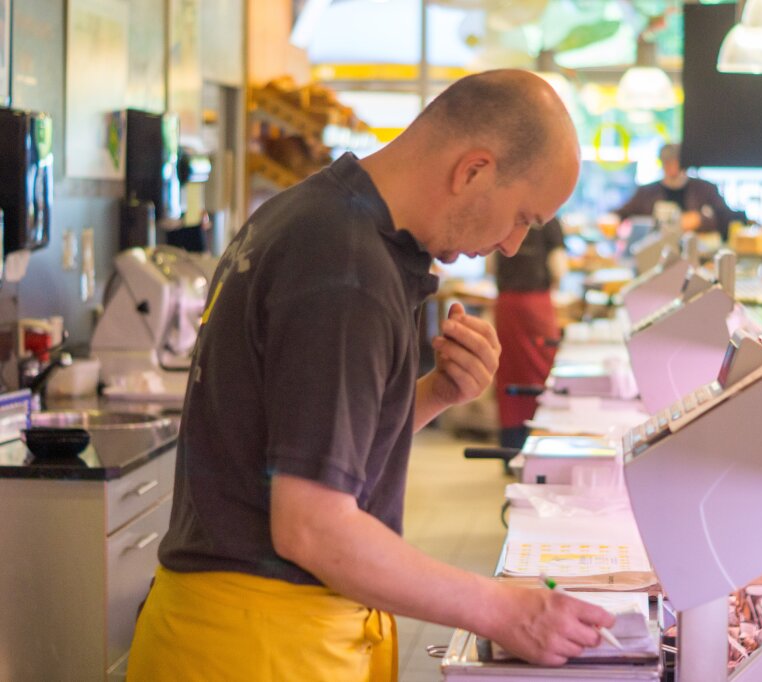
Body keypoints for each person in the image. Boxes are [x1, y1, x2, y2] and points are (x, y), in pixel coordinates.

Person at [128, 70, 614, 682]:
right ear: (474, 170)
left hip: (253, 626)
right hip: (259, 644)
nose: (514, 246)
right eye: (522, 217)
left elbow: (307, 442)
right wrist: (503, 610)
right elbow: (311, 525)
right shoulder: (347, 268)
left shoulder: (320, 215)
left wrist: (438, 393)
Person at [493, 217, 567, 449]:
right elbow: (559, 268)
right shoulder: (549, 218)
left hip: (506, 304)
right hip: (536, 304)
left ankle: (511, 446)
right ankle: (539, 446)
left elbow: (489, 265)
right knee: (542, 372)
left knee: (508, 375)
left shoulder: (504, 210)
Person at [613, 142, 745, 240]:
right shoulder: (646, 192)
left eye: (676, 162)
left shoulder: (705, 189)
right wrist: (612, 219)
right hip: (656, 251)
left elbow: (727, 217)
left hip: (699, 252)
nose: (672, 168)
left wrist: (700, 220)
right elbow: (622, 212)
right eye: (667, 163)